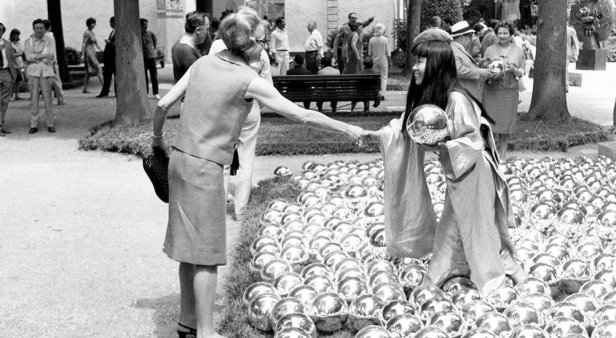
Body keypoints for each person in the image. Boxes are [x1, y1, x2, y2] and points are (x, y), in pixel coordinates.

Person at [152, 13, 365, 338]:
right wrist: (346, 127)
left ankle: (187, 322)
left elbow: (163, 104)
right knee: (206, 256)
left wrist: (157, 142)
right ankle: (207, 333)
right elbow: (301, 114)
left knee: (187, 250)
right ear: (251, 44)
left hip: (179, 160)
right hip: (206, 168)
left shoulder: (200, 65)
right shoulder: (247, 79)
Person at [365, 39, 526, 296]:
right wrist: (376, 135)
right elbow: (405, 126)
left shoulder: (456, 99)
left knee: (469, 227)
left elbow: (472, 141)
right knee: (465, 227)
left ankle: (460, 281)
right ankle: (504, 271)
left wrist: (443, 145)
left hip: (474, 172)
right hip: (461, 173)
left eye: (420, 61)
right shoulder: (432, 96)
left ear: (437, 65)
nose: (414, 68)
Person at [208, 6, 270, 221]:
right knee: (246, 159)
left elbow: (210, 77)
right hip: (250, 106)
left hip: (224, 106)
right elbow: (267, 88)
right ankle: (240, 210)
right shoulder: (260, 52)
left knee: (222, 159)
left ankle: (217, 208)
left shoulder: (218, 45)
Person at [482, 21, 525, 160]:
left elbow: (521, 72)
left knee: (506, 125)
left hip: (509, 92)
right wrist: (491, 73)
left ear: (510, 34)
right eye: (499, 33)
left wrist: (513, 69)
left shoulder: (518, 51)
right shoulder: (489, 50)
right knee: (490, 125)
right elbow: (484, 69)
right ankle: (490, 155)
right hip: (492, 92)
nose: (502, 36)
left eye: (505, 33)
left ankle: (502, 156)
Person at [24, 19, 56, 134]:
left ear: (44, 29)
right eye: (37, 28)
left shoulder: (49, 40)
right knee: (33, 99)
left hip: (47, 72)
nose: (39, 30)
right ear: (33, 29)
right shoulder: (28, 41)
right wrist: (43, 56)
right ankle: (33, 124)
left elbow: (51, 55)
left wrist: (36, 57)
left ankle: (50, 124)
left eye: (41, 28)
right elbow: (28, 57)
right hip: (33, 72)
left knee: (48, 98)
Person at [450, 20, 494, 102]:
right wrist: (479, 72)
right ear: (462, 37)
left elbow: (464, 65)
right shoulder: (454, 49)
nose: (471, 40)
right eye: (470, 37)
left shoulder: (459, 49)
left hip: (467, 93)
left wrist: (478, 64)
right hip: (463, 94)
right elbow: (458, 70)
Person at [172, 11, 209, 82]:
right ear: (198, 30)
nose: (207, 33)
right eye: (207, 29)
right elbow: (199, 79)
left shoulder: (181, 44)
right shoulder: (187, 52)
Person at [0, 23, 18, 136]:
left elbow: (11, 59)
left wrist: (13, 75)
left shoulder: (7, 43)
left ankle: (2, 124)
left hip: (6, 72)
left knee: (5, 101)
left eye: (1, 29)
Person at [368, 23, 391, 100]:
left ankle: (376, 93)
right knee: (384, 77)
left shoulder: (372, 40)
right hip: (383, 60)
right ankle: (382, 94)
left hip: (375, 60)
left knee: (376, 77)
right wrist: (390, 61)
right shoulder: (385, 39)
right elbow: (388, 52)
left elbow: (370, 53)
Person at [43, 20, 64, 105]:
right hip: (51, 61)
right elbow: (52, 50)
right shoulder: (50, 36)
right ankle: (60, 99)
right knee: (56, 81)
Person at [82, 17, 104, 94]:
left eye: (94, 23)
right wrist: (82, 54)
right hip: (89, 53)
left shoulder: (91, 32)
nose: (94, 25)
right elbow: (84, 44)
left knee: (88, 73)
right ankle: (104, 86)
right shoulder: (87, 33)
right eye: (92, 23)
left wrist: (99, 47)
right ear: (89, 24)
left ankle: (84, 88)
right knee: (99, 68)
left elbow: (95, 41)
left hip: (92, 52)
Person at [97, 17, 116, 98]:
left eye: (111, 22)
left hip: (113, 58)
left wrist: (110, 42)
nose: (110, 24)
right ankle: (105, 91)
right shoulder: (113, 31)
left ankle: (116, 92)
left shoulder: (117, 32)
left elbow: (116, 44)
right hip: (109, 58)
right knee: (107, 75)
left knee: (114, 75)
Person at [141, 18, 160, 99]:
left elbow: (155, 43)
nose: (146, 26)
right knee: (143, 76)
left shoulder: (150, 34)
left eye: (147, 25)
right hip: (142, 58)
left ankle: (156, 92)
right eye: (145, 25)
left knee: (154, 75)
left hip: (151, 56)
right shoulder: (137, 34)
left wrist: (152, 51)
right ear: (140, 25)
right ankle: (146, 93)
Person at [9, 29, 25, 102]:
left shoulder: (19, 44)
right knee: (13, 81)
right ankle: (11, 96)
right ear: (12, 35)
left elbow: (22, 52)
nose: (17, 36)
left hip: (20, 64)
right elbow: (11, 55)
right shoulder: (10, 44)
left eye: (18, 35)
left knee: (18, 80)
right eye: (15, 34)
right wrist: (19, 53)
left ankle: (17, 95)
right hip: (13, 65)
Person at [566, 22, 579, 91]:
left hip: (567, 53)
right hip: (557, 54)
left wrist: (575, 54)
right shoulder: (555, 29)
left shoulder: (571, 30)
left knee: (564, 69)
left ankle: (566, 86)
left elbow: (576, 43)